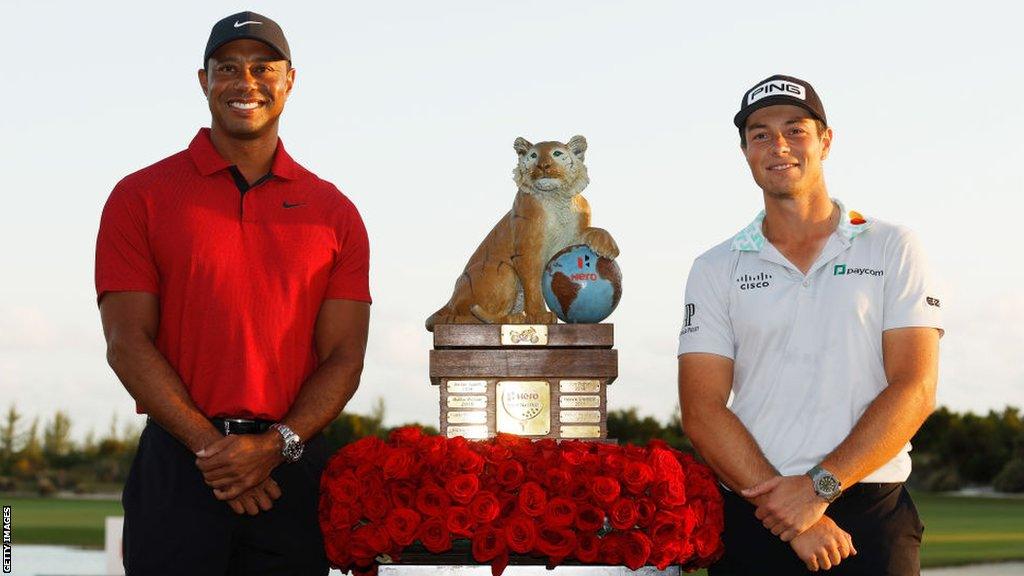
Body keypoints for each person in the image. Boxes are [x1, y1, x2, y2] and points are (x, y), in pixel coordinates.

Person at [95, 12, 371, 575]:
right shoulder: (139, 196)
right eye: (229, 68)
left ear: (290, 80)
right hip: (179, 466)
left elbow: (346, 357)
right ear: (204, 81)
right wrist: (213, 453)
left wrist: (274, 447)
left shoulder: (335, 213)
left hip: (291, 469)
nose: (246, 82)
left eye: (263, 67)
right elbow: (126, 341)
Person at [677, 74, 942, 575]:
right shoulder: (715, 267)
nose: (778, 145)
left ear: (825, 140)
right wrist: (794, 515)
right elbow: (701, 408)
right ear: (746, 152)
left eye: (795, 129)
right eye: (760, 134)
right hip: (758, 513)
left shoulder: (891, 246)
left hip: (871, 512)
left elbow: (916, 385)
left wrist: (819, 488)